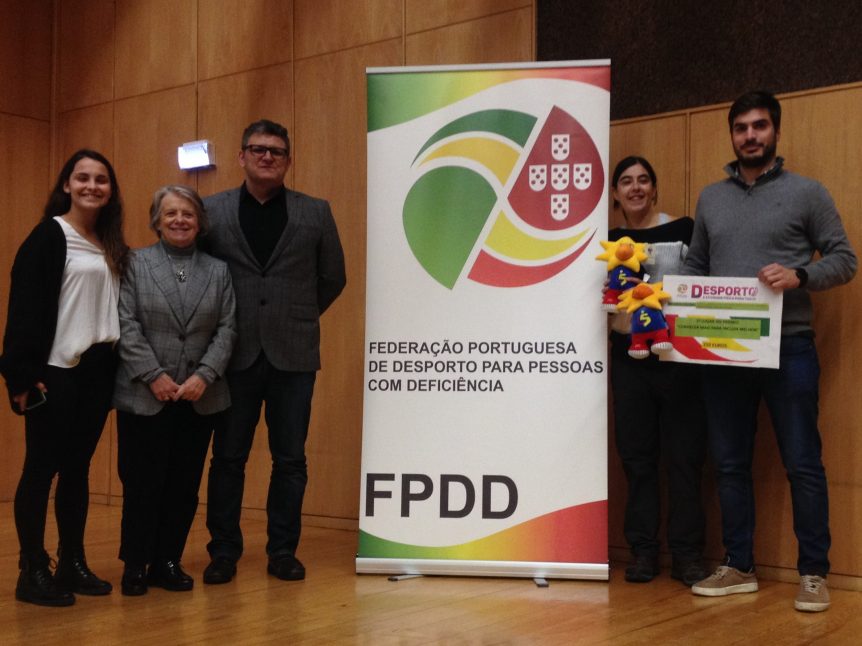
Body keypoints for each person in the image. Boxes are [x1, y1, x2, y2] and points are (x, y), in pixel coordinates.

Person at [684, 91, 856, 612]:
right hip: (723, 349)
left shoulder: (808, 193)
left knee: (803, 462)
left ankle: (814, 573)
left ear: (776, 131)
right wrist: (677, 303)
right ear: (732, 136)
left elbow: (845, 259)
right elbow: (695, 267)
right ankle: (739, 565)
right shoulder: (710, 198)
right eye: (741, 128)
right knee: (729, 463)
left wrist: (800, 274)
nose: (750, 136)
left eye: (759, 126)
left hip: (790, 346)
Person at [201, 119, 346, 584]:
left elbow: (333, 277)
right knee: (228, 458)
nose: (267, 156)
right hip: (232, 354)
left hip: (294, 355)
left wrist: (296, 314)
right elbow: (199, 273)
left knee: (290, 460)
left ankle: (283, 551)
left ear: (288, 160)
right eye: (258, 149)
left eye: (277, 151)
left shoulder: (316, 212)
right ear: (241, 156)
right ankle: (223, 551)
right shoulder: (211, 211)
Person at [0, 149, 129, 606]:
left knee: (77, 471)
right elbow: (23, 308)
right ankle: (32, 570)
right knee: (41, 470)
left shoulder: (110, 243)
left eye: (101, 179)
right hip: (54, 372)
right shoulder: (49, 236)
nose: (92, 186)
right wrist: (19, 378)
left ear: (111, 190)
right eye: (83, 178)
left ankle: (72, 562)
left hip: (97, 372)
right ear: (67, 185)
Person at [112, 185, 236, 595]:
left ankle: (168, 561)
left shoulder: (218, 271)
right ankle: (136, 563)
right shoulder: (135, 263)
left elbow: (227, 329)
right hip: (145, 394)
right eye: (170, 213)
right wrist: (153, 374)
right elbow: (125, 322)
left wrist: (205, 375)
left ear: (199, 222)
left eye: (187, 213)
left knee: (183, 486)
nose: (179, 220)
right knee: (141, 483)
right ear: (157, 221)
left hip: (198, 397)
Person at [607, 157, 708, 586]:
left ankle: (687, 555)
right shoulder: (607, 240)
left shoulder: (684, 229)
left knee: (685, 459)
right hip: (628, 360)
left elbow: (705, 286)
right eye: (626, 182)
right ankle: (643, 552)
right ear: (615, 194)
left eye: (643, 180)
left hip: (679, 360)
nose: (635, 188)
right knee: (637, 460)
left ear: (654, 188)